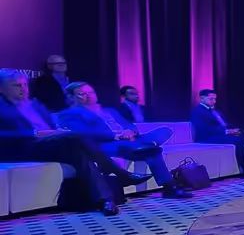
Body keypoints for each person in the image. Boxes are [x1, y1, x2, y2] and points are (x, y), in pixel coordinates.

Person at [0, 69, 150, 216]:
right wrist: (35, 133)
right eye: (16, 85)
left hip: (47, 144)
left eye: (24, 85)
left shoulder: (35, 104)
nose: (23, 89)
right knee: (76, 137)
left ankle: (106, 200)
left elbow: (51, 127)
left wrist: (57, 131)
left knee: (79, 154)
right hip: (20, 148)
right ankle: (120, 173)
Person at [57, 82, 191, 199]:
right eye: (82, 94)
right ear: (71, 97)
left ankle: (144, 146)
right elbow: (82, 133)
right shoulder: (70, 114)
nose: (89, 95)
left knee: (165, 130)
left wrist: (130, 131)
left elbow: (129, 124)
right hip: (107, 143)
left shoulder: (110, 110)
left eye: (90, 92)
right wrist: (115, 136)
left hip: (130, 139)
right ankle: (169, 188)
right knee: (153, 152)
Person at [190, 90, 244, 179]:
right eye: (211, 99)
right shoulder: (197, 111)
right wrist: (226, 132)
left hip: (222, 134)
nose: (214, 101)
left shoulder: (214, 111)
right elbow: (203, 129)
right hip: (207, 137)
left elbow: (224, 124)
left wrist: (233, 130)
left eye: (215, 99)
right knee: (239, 141)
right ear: (202, 98)